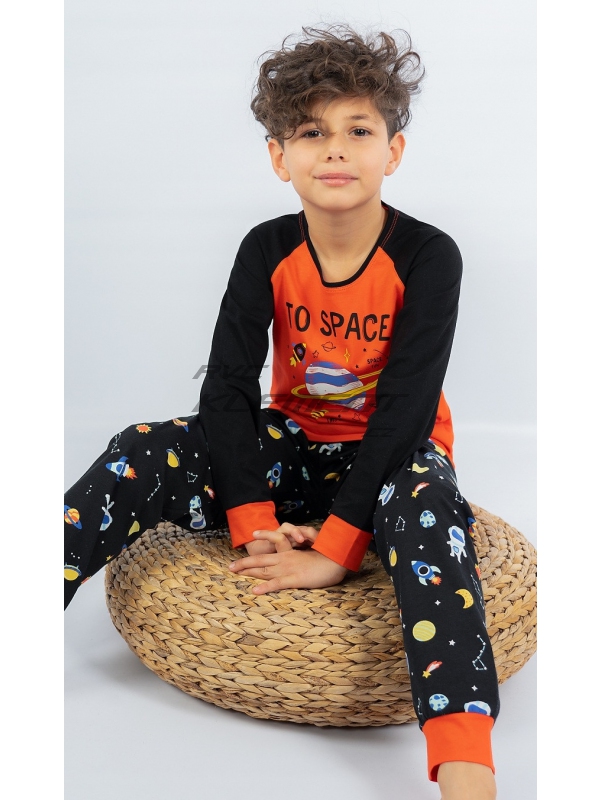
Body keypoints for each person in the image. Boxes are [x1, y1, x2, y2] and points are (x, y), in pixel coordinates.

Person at [64, 25, 499, 800]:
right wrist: (254, 519)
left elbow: (405, 408)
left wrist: (335, 548)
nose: (335, 150)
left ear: (393, 150)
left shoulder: (430, 256)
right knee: (142, 446)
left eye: (358, 130)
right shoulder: (266, 248)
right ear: (278, 157)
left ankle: (465, 761)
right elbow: (227, 387)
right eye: (310, 132)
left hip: (395, 459)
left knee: (429, 514)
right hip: (294, 446)